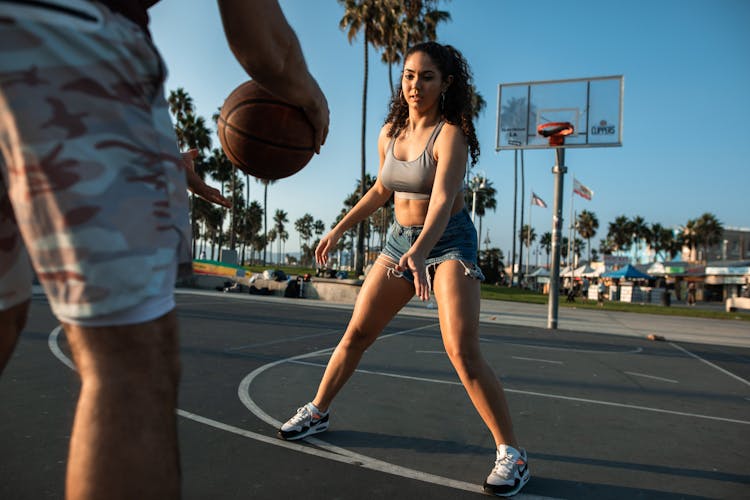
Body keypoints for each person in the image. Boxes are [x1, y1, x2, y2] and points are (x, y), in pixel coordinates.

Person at [0, 1, 329, 499]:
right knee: (127, 362)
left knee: (3, 313)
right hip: (69, 35)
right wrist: (309, 98)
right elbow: (265, 45)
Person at [278, 41, 529, 497]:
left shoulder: (450, 133)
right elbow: (380, 189)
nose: (415, 85)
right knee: (356, 334)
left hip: (448, 241)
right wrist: (338, 229)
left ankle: (512, 452)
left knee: (461, 351)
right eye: (409, 75)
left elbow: (440, 203)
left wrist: (423, 252)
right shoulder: (390, 132)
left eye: (427, 77)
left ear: (446, 83)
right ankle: (318, 409)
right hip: (398, 242)